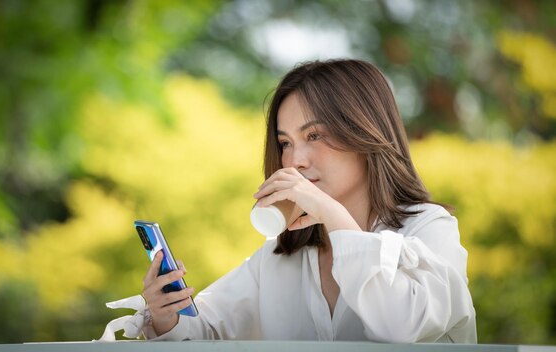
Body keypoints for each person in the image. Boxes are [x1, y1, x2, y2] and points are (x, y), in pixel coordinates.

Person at [124, 59, 477, 343]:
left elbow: (404, 328)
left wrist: (334, 216)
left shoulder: (429, 229)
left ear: (365, 132)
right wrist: (166, 316)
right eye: (286, 143)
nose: (295, 161)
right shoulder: (280, 257)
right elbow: (207, 332)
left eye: (314, 135)